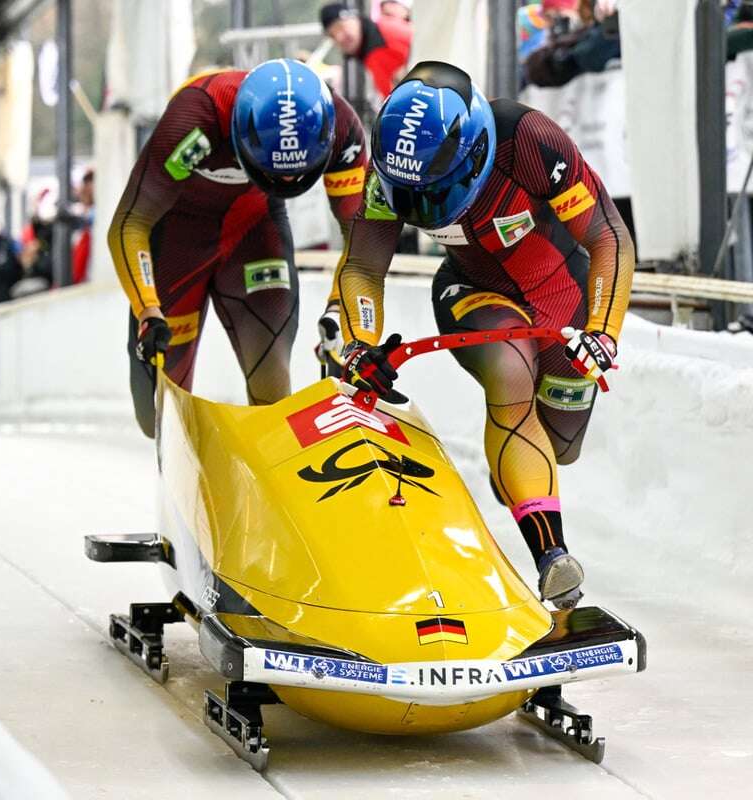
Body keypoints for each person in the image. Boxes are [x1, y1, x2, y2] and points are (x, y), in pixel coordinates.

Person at [320, 61, 634, 609]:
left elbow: (608, 236)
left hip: (565, 298)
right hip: (474, 293)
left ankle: (519, 480)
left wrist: (603, 331)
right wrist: (359, 344)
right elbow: (362, 268)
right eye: (407, 192)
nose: (419, 206)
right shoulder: (391, 172)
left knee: (562, 444)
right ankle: (553, 556)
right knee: (510, 369)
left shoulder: (530, 141)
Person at [109, 59, 369, 438]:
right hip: (178, 241)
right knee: (156, 415)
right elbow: (129, 224)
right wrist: (148, 308)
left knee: (274, 384)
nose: (288, 180)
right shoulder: (197, 116)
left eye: (297, 173)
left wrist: (339, 312)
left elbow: (363, 239)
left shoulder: (342, 127)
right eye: (275, 172)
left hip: (254, 232)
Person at [319, 2, 412, 99]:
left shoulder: (387, 34)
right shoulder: (370, 52)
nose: (339, 38)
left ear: (354, 18)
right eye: (332, 36)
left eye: (340, 27)